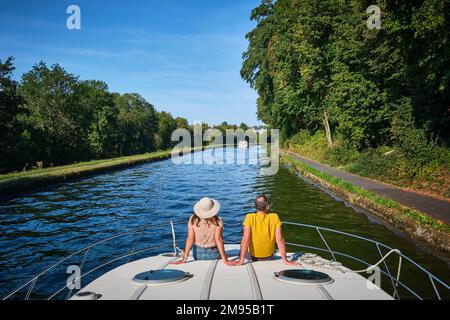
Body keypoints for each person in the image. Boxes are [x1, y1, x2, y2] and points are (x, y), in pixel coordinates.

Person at [235, 195, 300, 266]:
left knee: (243, 242)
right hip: (269, 256)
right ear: (267, 206)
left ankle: (240, 257)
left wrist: (240, 261)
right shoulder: (275, 217)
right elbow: (280, 240)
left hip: (253, 257)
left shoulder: (249, 217)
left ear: (255, 207)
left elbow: (245, 240)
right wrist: (285, 260)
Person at [171, 197, 235, 266]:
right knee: (225, 253)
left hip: (197, 255)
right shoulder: (218, 220)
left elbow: (190, 239)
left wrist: (184, 259)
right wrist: (225, 259)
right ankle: (223, 255)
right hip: (213, 254)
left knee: (187, 249)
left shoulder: (192, 219)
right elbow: (218, 240)